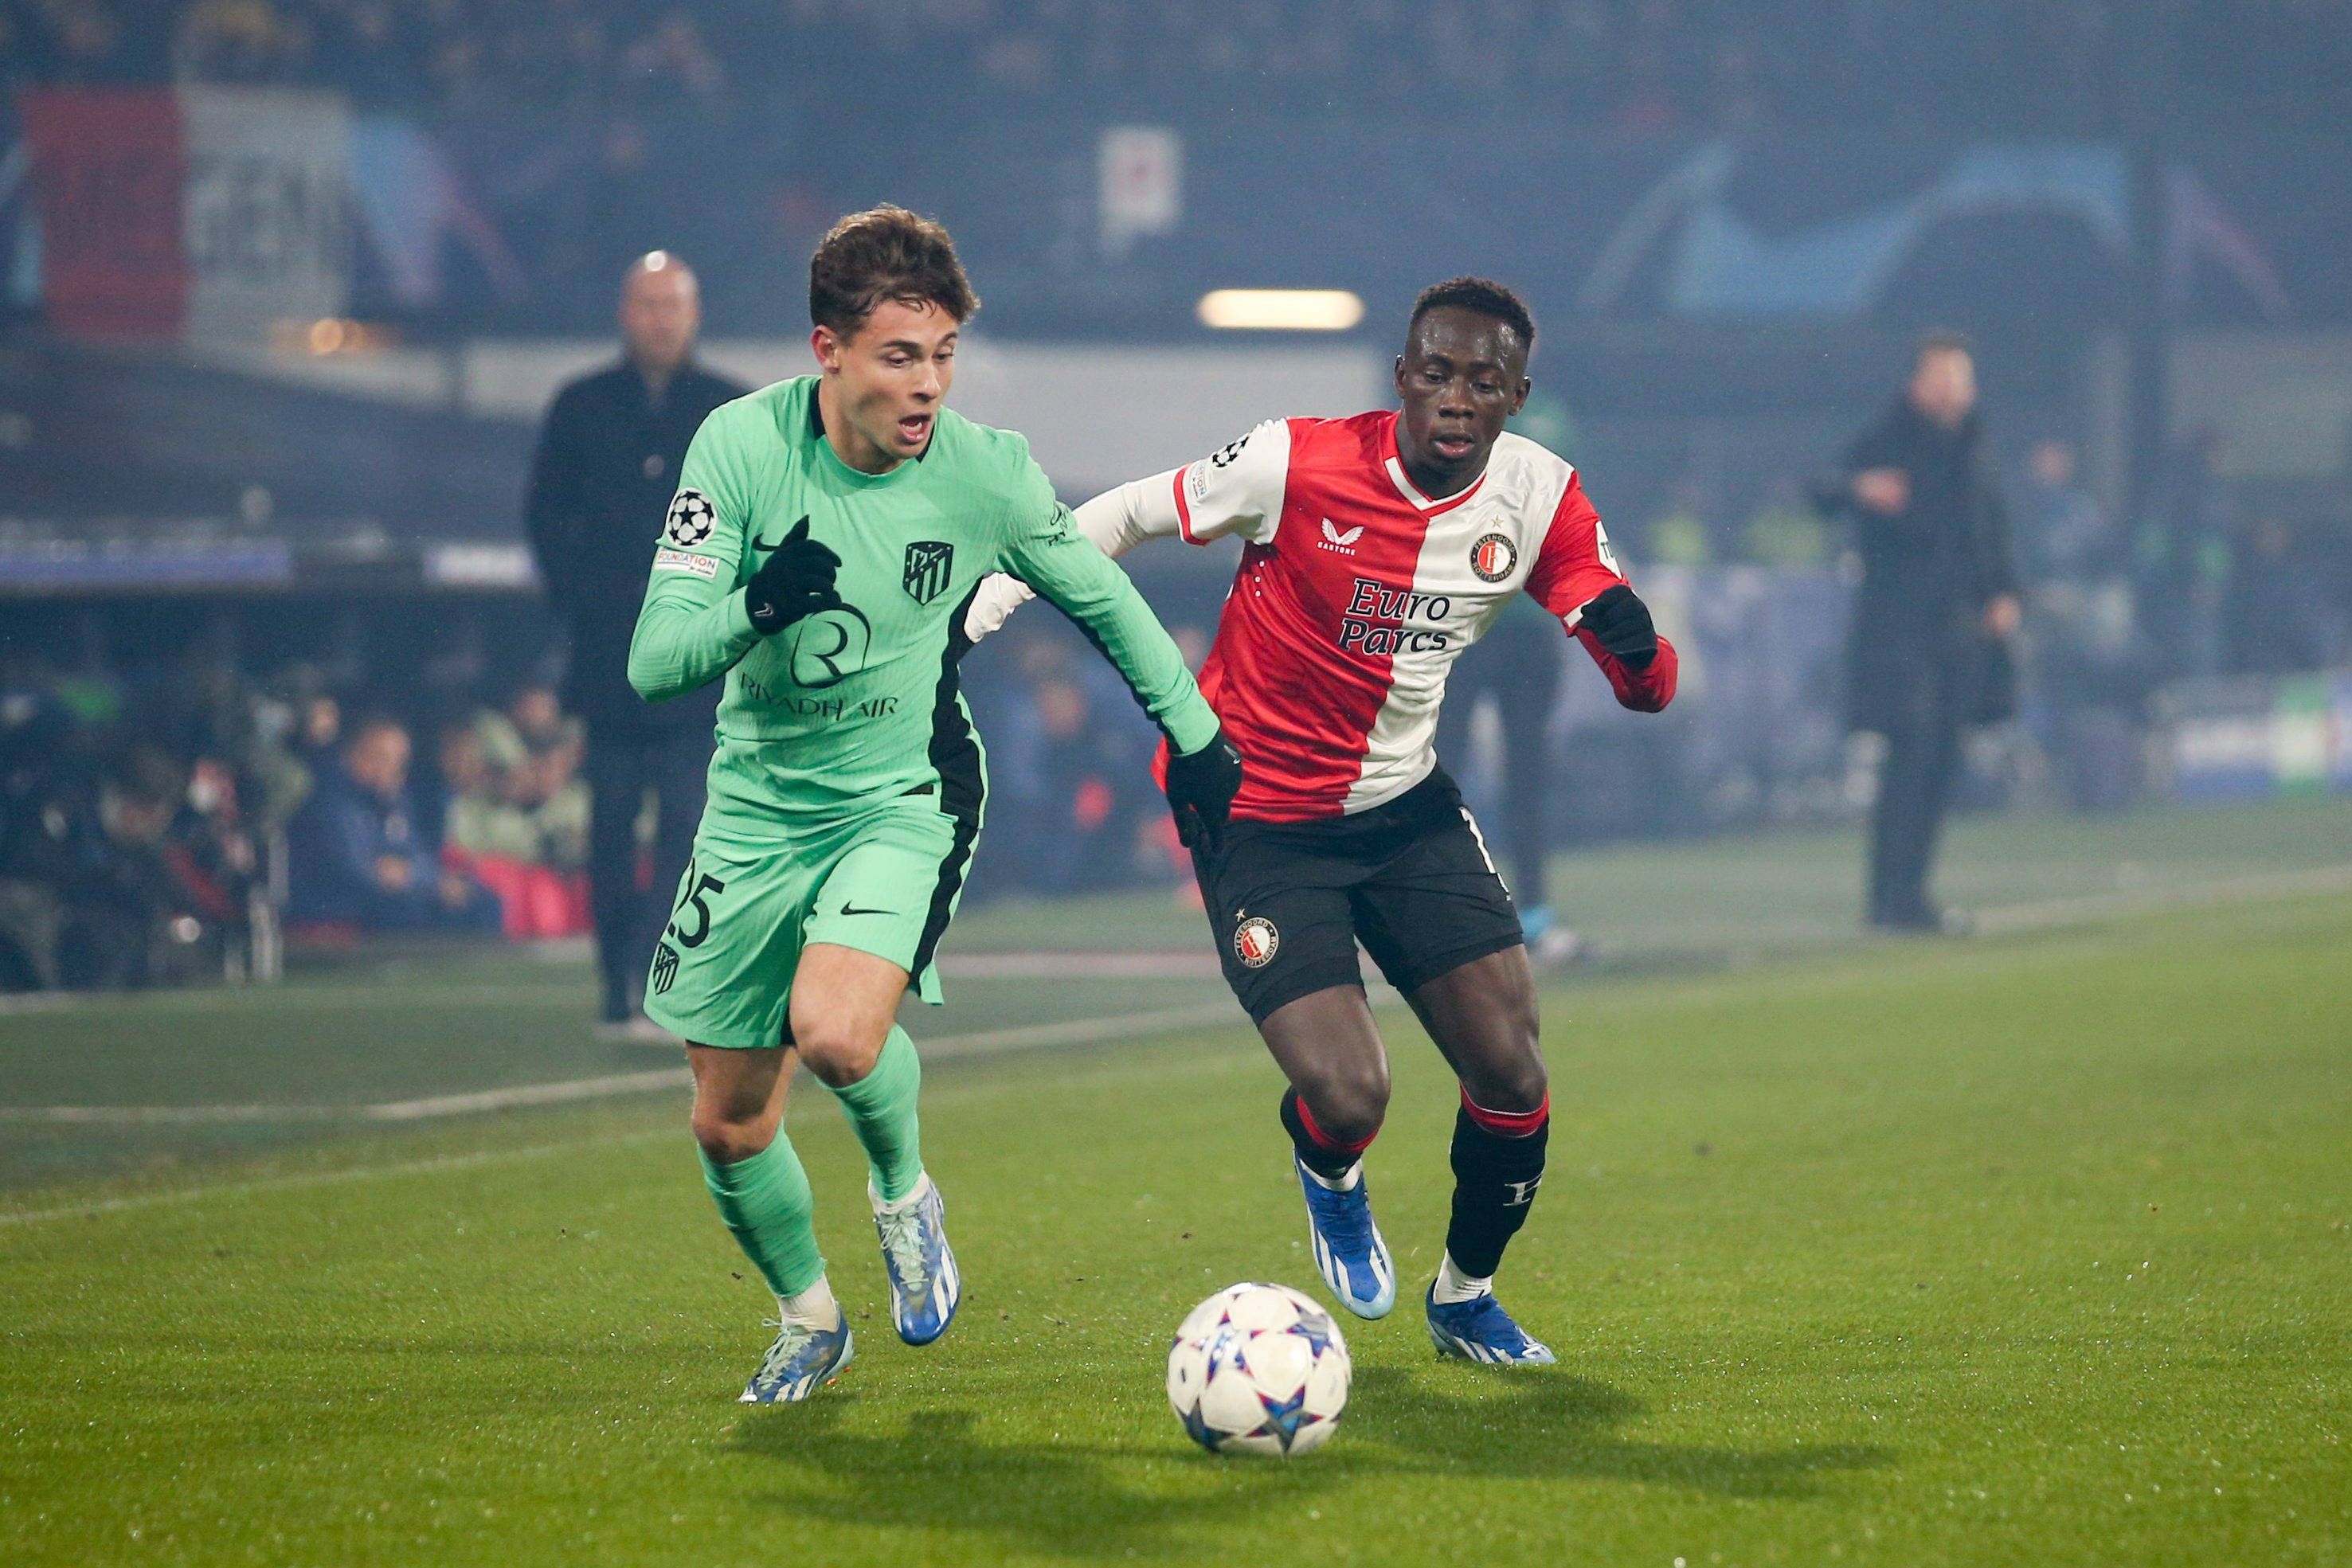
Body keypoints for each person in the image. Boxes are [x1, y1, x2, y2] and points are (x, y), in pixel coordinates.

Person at [968, 276, 1677, 1363]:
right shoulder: (1292, 459)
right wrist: (993, 601)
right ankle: (1330, 1167)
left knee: (1514, 1073)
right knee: (1350, 1088)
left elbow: (1646, 681)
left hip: (1403, 808)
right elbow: (1126, 514)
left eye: (1482, 382)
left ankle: (1465, 1296)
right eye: (1434, 373)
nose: (1453, 397)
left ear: (1514, 397)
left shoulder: (1540, 498)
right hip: (1252, 811)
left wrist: (1634, 650)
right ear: (1402, 376)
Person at [624, 205, 1241, 1402]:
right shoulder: (736, 451)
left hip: (902, 790)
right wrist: (756, 608)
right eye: (902, 356)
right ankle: (811, 1319)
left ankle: (904, 1194)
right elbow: (652, 662)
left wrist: (1199, 739)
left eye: (945, 353)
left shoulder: (985, 471)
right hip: (754, 809)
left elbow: (1103, 600)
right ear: (828, 351)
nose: (928, 385)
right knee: (728, 1123)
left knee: (838, 1034)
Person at [526, 252, 748, 1042]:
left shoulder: (730, 411)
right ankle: (614, 981)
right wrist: (581, 604)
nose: (660, 319)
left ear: (694, 314)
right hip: (610, 661)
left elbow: (762, 520)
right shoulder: (581, 406)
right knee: (612, 826)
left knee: (690, 824)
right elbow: (548, 519)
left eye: (673, 305)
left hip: (698, 663)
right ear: (625, 312)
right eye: (647, 304)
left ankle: (665, 976)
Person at [1828, 333, 2018, 933]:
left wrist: (2002, 590)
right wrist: (1860, 489)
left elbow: (1988, 525)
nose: (1954, 390)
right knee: (1907, 759)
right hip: (1901, 633)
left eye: (1960, 378)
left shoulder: (1972, 448)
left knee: (1941, 762)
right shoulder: (1886, 441)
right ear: (1917, 383)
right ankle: (1886, 897)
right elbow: (1822, 486)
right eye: (1943, 378)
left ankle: (1912, 894)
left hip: (1958, 629)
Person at [285, 717, 501, 934]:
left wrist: (427, 879)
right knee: (408, 909)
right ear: (352, 755)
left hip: (398, 892)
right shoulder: (333, 803)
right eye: (380, 758)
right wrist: (418, 879)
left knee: (481, 900)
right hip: (336, 905)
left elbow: (417, 854)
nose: (389, 769)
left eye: (397, 761)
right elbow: (358, 871)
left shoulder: (394, 802)